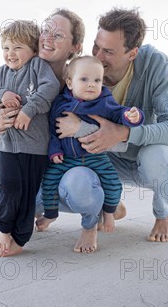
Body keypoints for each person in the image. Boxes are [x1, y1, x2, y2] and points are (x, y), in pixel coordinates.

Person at [0, 9, 117, 255]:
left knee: (79, 183)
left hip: (61, 174)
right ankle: (39, 209)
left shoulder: (85, 82)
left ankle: (92, 217)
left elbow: (117, 138)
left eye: (59, 35)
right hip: (21, 171)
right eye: (45, 31)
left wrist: (80, 127)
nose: (48, 38)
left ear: (75, 46)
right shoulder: (13, 74)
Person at [49, 7, 168, 245]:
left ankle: (164, 212)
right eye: (96, 47)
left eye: (109, 52)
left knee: (156, 155)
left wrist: (124, 132)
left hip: (156, 163)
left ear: (132, 53)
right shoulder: (85, 72)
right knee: (65, 175)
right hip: (110, 161)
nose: (99, 57)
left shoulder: (157, 65)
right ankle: (109, 203)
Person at [38, 56, 143, 235]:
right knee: (49, 181)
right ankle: (50, 214)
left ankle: (109, 212)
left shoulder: (103, 101)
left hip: (96, 156)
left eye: (97, 80)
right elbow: (53, 130)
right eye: (84, 79)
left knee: (112, 181)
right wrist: (54, 150)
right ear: (70, 83)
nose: (92, 84)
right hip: (67, 158)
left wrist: (133, 116)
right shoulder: (61, 103)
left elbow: (119, 113)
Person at [0, 20, 60, 256]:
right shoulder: (1, 73)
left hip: (34, 147)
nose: (10, 53)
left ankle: (21, 239)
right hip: (6, 145)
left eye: (17, 48)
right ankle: (4, 228)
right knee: (9, 187)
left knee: (27, 193)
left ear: (33, 50)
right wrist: (1, 93)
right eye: (6, 48)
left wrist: (29, 109)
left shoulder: (38, 66)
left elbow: (51, 87)